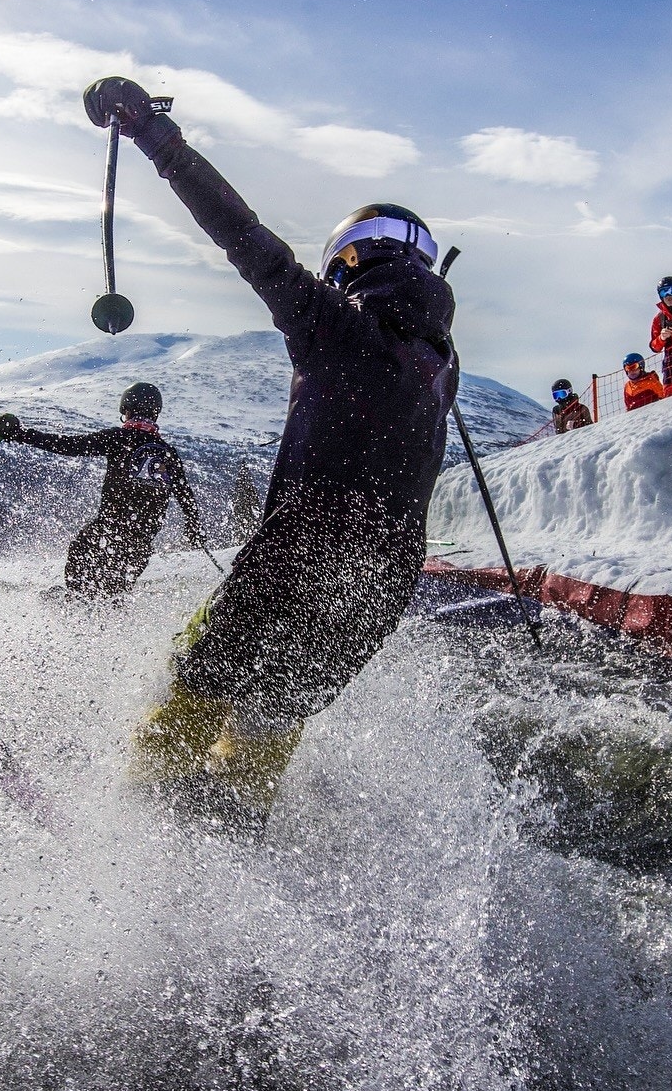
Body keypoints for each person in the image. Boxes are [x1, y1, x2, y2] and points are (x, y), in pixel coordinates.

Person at [80, 75, 459, 823]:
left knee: (195, 684)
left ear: (347, 262)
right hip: (384, 586)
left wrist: (152, 132)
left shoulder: (331, 322)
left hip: (300, 552)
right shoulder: (442, 366)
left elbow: (239, 232)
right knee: (270, 719)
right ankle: (237, 826)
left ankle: (135, 822)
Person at [0, 383, 205, 598]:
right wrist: (194, 527)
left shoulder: (118, 438)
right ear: (155, 413)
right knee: (114, 594)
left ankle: (74, 603)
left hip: (107, 532)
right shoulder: (167, 452)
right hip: (141, 542)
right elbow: (184, 494)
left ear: (127, 410)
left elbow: (69, 445)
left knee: (80, 569)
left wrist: (20, 434)